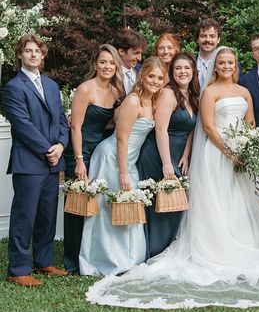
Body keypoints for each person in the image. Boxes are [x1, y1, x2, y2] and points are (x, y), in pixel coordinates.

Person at [86, 47, 259, 309]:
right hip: (216, 155)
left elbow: (250, 123)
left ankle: (248, 243)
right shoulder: (210, 92)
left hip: (241, 156)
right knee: (218, 201)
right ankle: (216, 245)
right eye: (222, 62)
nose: (226, 66)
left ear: (235, 65)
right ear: (215, 66)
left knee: (242, 202)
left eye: (230, 62)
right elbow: (206, 126)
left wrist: (247, 147)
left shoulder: (244, 92)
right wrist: (228, 151)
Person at [79, 57, 167, 275]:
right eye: (151, 76)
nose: (155, 81)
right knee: (109, 208)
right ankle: (102, 261)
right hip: (112, 158)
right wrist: (124, 172)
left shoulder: (152, 102)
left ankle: (129, 260)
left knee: (129, 206)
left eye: (159, 78)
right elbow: (121, 138)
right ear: (142, 76)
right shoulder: (134, 101)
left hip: (128, 160)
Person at [3, 34, 69, 286]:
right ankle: (18, 269)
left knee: (47, 215)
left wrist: (61, 145)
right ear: (19, 55)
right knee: (25, 215)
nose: (33, 54)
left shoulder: (52, 86)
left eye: (37, 51)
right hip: (29, 162)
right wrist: (48, 150)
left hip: (53, 161)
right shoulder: (14, 87)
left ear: (42, 56)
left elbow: (61, 119)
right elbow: (22, 125)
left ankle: (44, 262)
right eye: (27, 50)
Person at [63, 44, 124, 274]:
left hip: (99, 149)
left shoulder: (116, 91)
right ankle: (71, 261)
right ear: (95, 65)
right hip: (80, 149)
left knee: (94, 204)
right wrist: (79, 160)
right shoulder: (85, 89)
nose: (107, 66)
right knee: (76, 204)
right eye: (103, 62)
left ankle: (89, 254)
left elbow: (107, 122)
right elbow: (76, 126)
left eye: (111, 62)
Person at [137, 52, 198, 258]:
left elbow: (191, 128)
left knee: (175, 205)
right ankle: (154, 251)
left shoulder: (193, 94)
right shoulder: (168, 93)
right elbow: (160, 129)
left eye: (187, 68)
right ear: (172, 72)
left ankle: (168, 249)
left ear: (193, 71)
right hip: (158, 155)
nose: (183, 72)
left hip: (178, 155)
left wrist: (187, 153)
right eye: (178, 68)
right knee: (159, 206)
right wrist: (166, 163)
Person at [113, 29, 147, 95]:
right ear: (121, 51)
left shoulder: (143, 70)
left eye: (140, 53)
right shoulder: (110, 74)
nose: (140, 58)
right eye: (136, 53)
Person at [195, 17, 222, 89]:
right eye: (203, 36)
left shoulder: (229, 66)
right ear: (197, 39)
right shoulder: (189, 63)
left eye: (212, 36)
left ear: (218, 39)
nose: (207, 40)